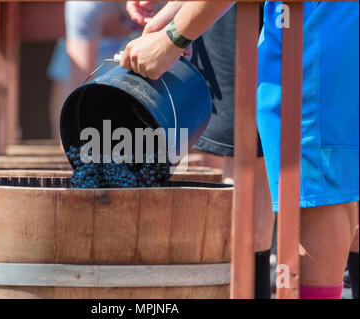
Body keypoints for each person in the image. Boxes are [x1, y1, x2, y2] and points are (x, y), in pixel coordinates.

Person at [121, 1, 359, 299]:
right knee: (336, 176)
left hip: (314, 21)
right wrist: (176, 16)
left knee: (316, 185)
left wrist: (174, 38)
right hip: (308, 19)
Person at [47, 1, 142, 140]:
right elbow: (78, 86)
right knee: (71, 71)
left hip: (156, 36)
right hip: (97, 39)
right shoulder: (84, 6)